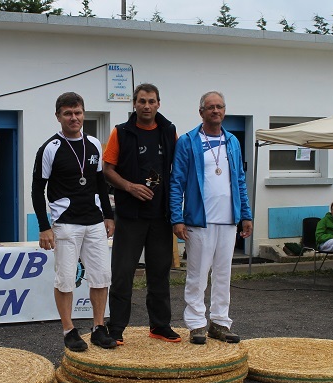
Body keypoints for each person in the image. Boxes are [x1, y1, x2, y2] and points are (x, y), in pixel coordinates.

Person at [31, 92, 117, 352]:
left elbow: (100, 183)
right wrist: (44, 227)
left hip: (94, 221)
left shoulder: (94, 144)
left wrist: (109, 215)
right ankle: (69, 330)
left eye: (78, 112)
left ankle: (99, 327)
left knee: (101, 277)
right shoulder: (50, 148)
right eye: (67, 113)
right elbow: (37, 190)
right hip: (66, 223)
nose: (73, 118)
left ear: (83, 114)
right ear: (58, 117)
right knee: (66, 279)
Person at [169, 90, 253, 345]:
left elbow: (239, 180)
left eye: (220, 107)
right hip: (199, 221)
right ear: (201, 112)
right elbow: (177, 181)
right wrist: (177, 218)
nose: (216, 111)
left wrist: (246, 214)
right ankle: (196, 324)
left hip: (228, 220)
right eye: (210, 107)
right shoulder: (188, 141)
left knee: (223, 275)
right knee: (197, 275)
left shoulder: (232, 141)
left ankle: (220, 322)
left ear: (224, 111)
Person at [103, 83, 180, 345]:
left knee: (159, 273)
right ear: (134, 104)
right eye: (142, 101)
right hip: (130, 216)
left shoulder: (169, 132)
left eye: (151, 101)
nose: (146, 106)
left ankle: (160, 326)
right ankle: (116, 328)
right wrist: (129, 187)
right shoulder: (121, 132)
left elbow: (179, 169)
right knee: (122, 274)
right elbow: (108, 170)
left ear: (158, 104)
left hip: (160, 216)